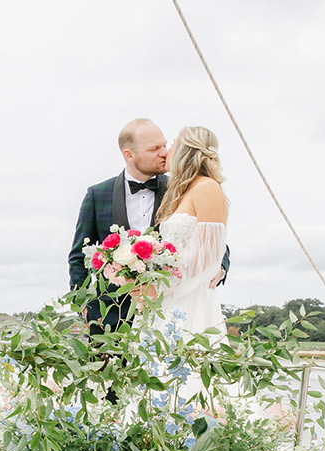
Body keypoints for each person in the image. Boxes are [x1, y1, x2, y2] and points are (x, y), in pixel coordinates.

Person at [68, 118, 230, 314]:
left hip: (168, 305)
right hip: (109, 316)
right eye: (154, 149)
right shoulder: (97, 194)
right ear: (130, 155)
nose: (164, 152)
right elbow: (79, 256)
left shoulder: (182, 189)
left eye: (165, 145)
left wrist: (218, 268)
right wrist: (83, 308)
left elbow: (210, 240)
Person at [156, 125, 229, 337]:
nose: (167, 150)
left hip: (190, 301)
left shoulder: (207, 188)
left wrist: (161, 286)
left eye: (172, 143)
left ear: (184, 149)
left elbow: (209, 256)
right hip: (166, 300)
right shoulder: (181, 193)